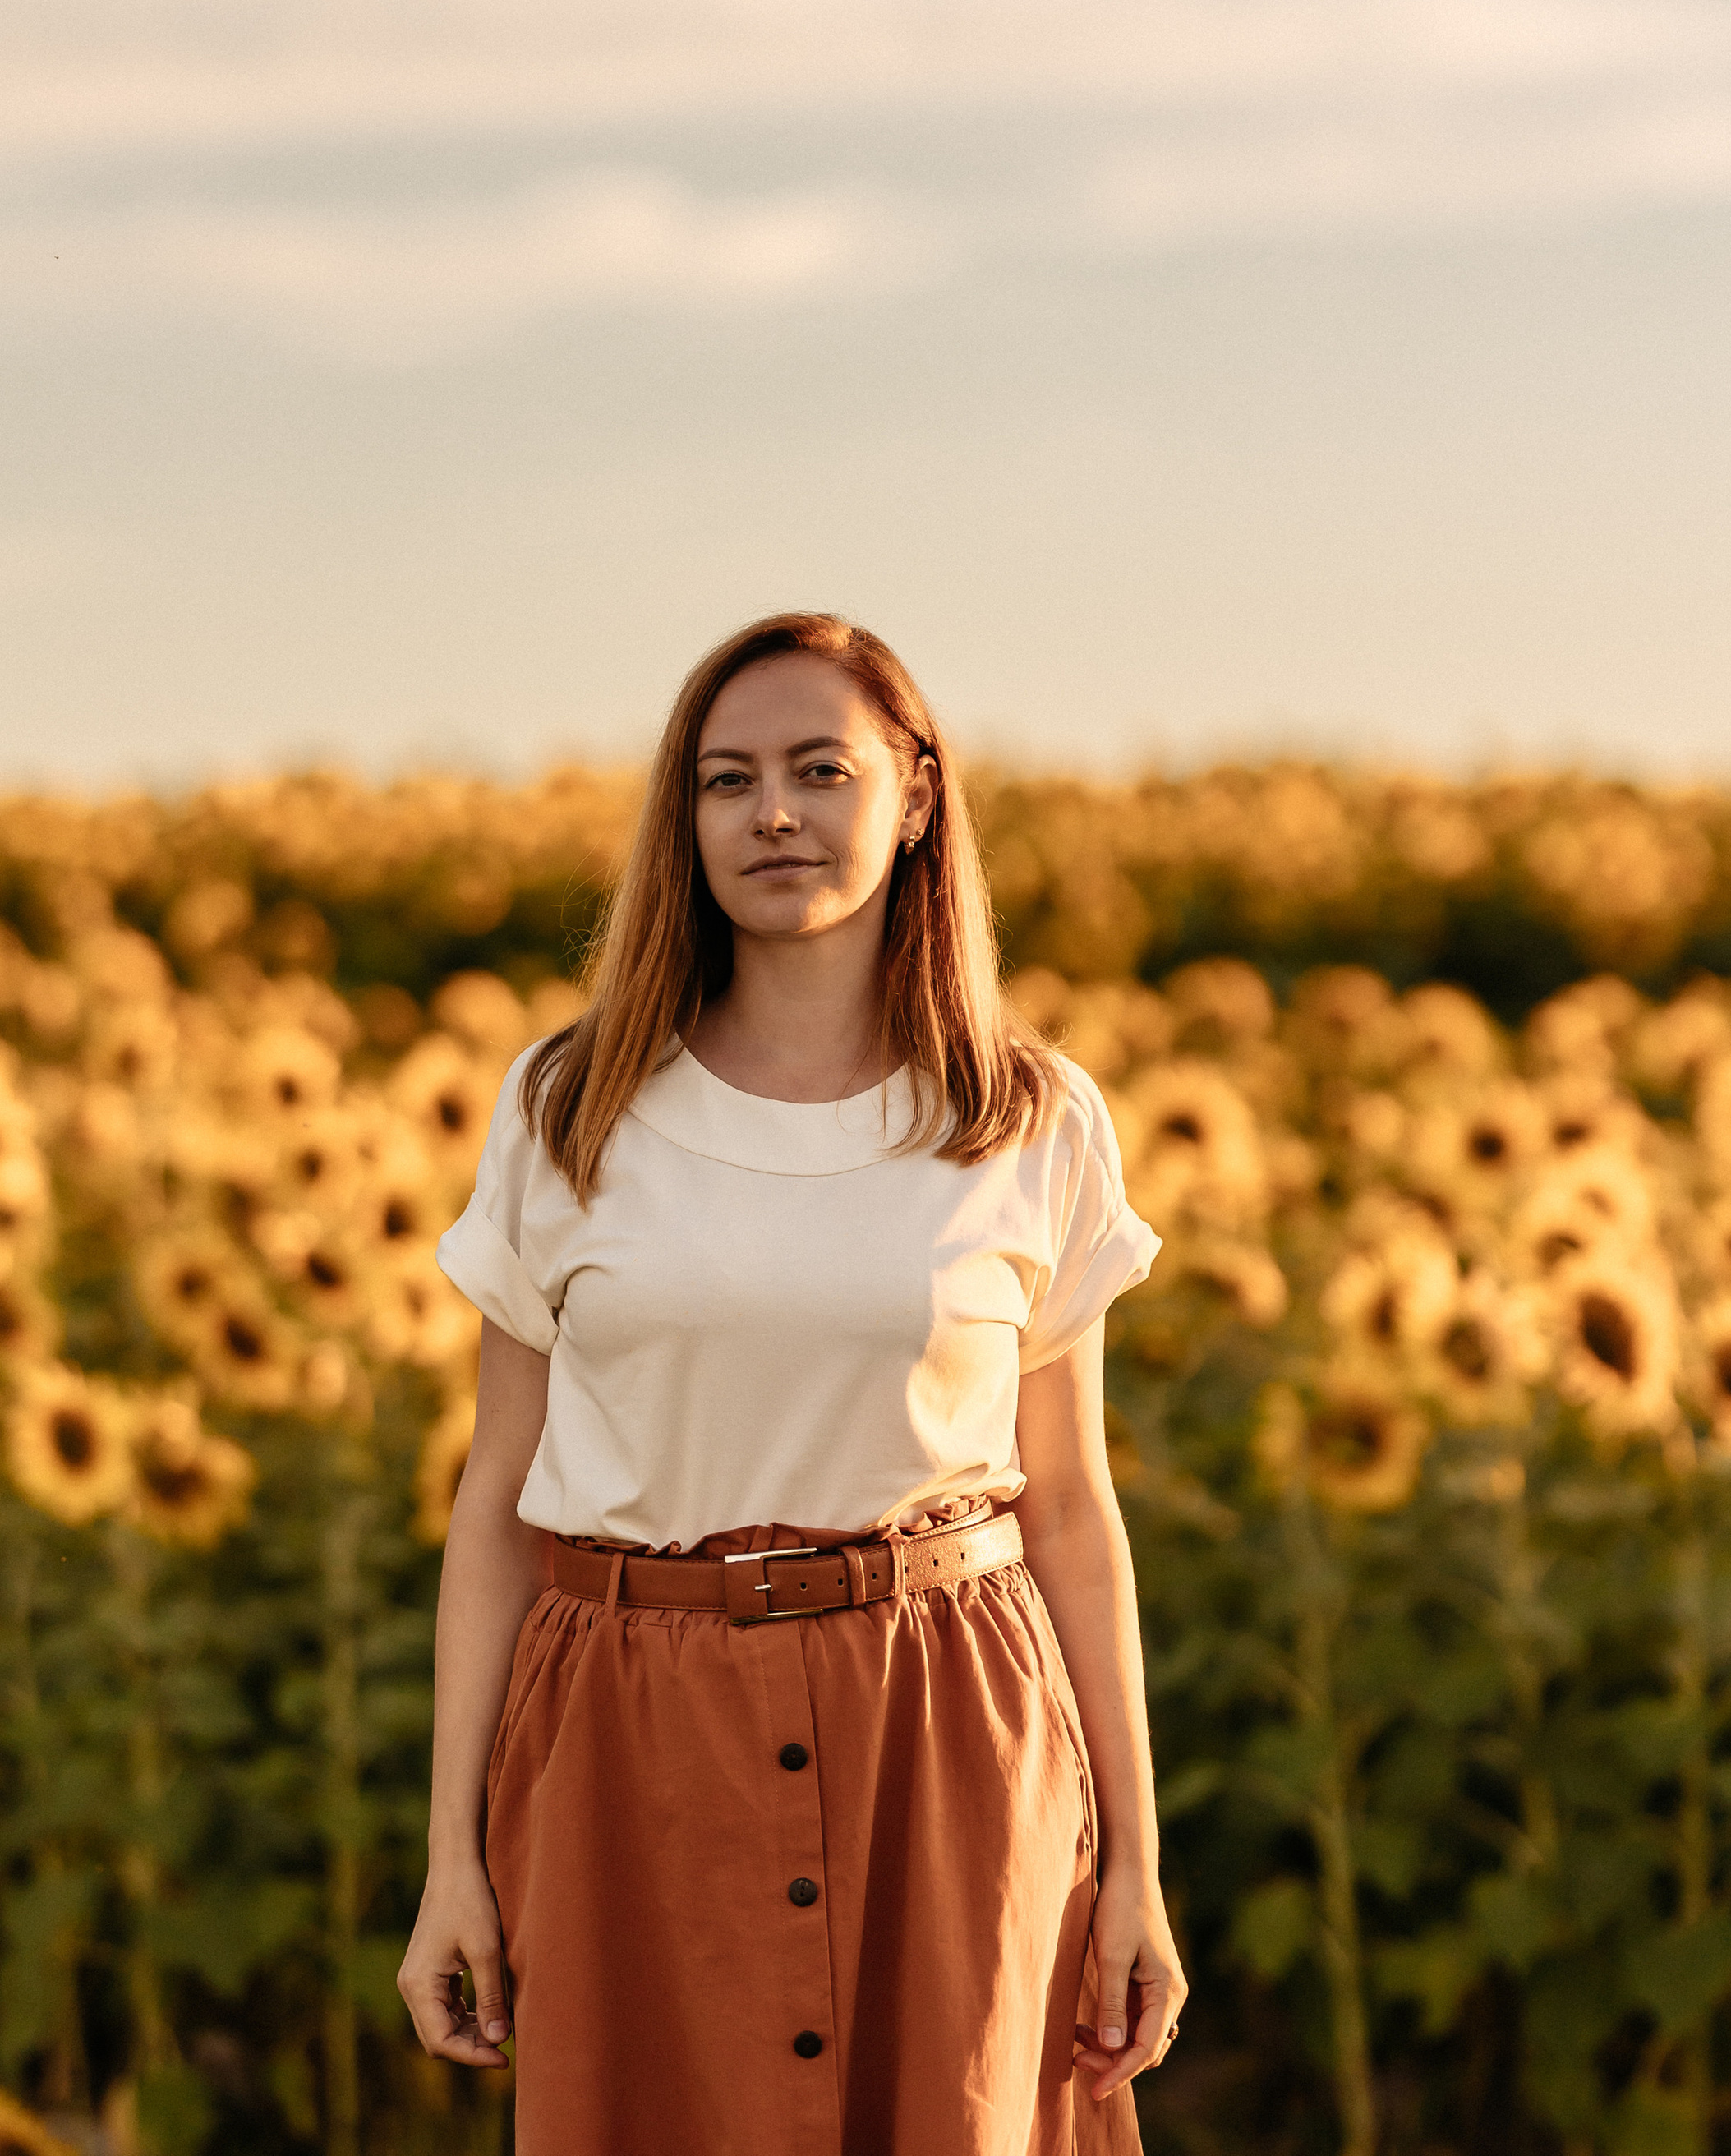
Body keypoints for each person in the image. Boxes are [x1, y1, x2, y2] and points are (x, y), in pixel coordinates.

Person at [398, 610, 1186, 2152]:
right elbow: (494, 1504)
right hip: (629, 1748)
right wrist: (452, 1860)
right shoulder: (571, 1106)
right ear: (684, 820)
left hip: (951, 1736)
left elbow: (1073, 1513)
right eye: (728, 780)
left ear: (917, 795)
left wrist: (1137, 1870)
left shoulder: (1030, 1116)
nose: (773, 814)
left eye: (822, 770)